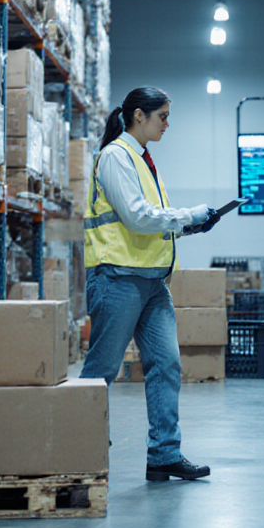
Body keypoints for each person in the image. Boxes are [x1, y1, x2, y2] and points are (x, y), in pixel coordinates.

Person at [80, 86, 221, 482]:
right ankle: (82, 450)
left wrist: (193, 225)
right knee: (102, 370)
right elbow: (137, 217)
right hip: (118, 279)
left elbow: (153, 225)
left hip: (153, 283)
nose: (167, 124)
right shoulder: (115, 158)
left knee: (166, 364)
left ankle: (163, 455)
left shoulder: (143, 161)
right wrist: (190, 213)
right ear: (138, 115)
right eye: (163, 116)